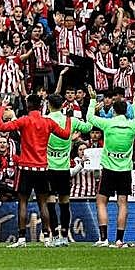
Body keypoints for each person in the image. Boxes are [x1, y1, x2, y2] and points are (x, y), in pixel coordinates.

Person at [0, 93, 71, 247]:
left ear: (28, 106)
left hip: (25, 168)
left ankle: (21, 238)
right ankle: (48, 238)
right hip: (42, 168)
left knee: (23, 202)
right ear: (41, 106)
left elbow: (1, 127)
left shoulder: (24, 120)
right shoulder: (48, 122)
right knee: (43, 203)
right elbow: (66, 134)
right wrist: (68, 119)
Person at [85, 87, 135, 247]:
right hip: (125, 170)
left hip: (109, 170)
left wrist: (92, 100)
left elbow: (90, 117)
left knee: (101, 201)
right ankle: (119, 239)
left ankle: (104, 239)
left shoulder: (108, 124)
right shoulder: (133, 125)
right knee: (123, 203)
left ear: (113, 110)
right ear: (126, 111)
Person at [43, 92, 92, 246]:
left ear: (49, 105)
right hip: (64, 168)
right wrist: (92, 105)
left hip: (49, 167)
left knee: (50, 202)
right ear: (62, 105)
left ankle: (54, 236)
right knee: (64, 203)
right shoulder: (71, 121)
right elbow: (89, 126)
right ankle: (64, 236)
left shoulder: (44, 121)